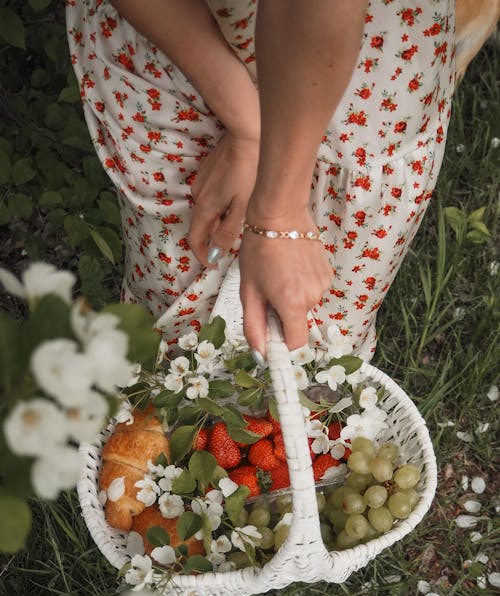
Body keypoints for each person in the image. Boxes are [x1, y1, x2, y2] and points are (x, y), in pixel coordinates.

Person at [66, 0, 457, 363]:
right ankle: (169, 412)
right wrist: (246, 125)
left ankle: (308, 420)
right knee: (176, 317)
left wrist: (279, 215)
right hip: (174, 41)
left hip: (359, 65)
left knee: (320, 327)